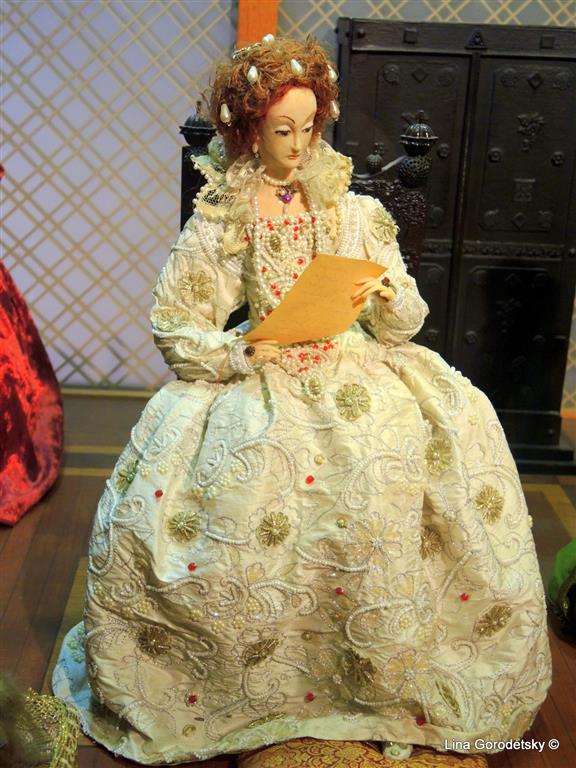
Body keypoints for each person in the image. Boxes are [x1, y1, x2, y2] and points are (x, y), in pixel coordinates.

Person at [52, 36, 551, 765]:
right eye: (281, 130)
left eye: (309, 127)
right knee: (254, 471)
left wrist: (387, 295)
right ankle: (263, 672)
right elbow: (178, 320)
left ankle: (379, 661)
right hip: (268, 365)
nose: (297, 145)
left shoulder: (353, 209)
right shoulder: (227, 214)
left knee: (399, 444)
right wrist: (237, 352)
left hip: (357, 362)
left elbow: (403, 320)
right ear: (249, 131)